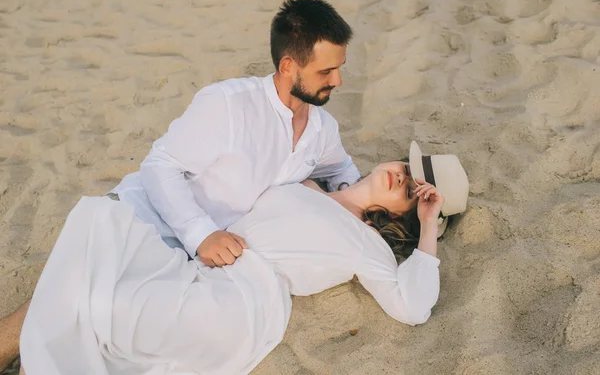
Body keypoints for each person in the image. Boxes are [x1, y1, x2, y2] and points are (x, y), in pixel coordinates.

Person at [12, 141, 469, 375]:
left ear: (405, 216)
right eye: (407, 170)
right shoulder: (307, 180)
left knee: (105, 307)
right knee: (99, 230)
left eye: (412, 192)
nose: (401, 179)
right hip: (200, 262)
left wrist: (430, 225)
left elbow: (412, 308)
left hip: (241, 299)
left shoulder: (367, 244)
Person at [112, 0, 361, 268]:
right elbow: (159, 165)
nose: (337, 81)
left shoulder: (322, 128)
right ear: (288, 66)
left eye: (340, 68)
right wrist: (201, 234)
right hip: (141, 224)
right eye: (326, 71)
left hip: (203, 260)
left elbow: (341, 170)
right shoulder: (227, 104)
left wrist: (355, 199)